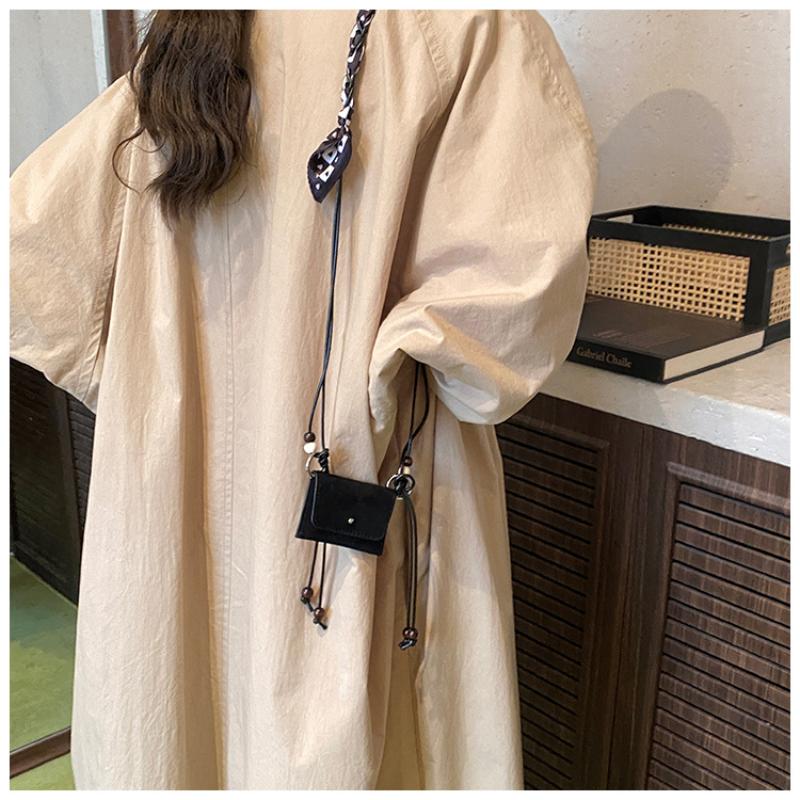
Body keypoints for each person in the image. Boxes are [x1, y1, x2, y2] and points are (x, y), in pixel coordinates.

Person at [10, 9, 598, 791]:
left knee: (178, 719)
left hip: (170, 504)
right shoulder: (462, 22)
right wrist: (373, 368)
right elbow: (502, 332)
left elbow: (32, 258)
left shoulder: (188, 40)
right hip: (359, 495)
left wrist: (148, 390)